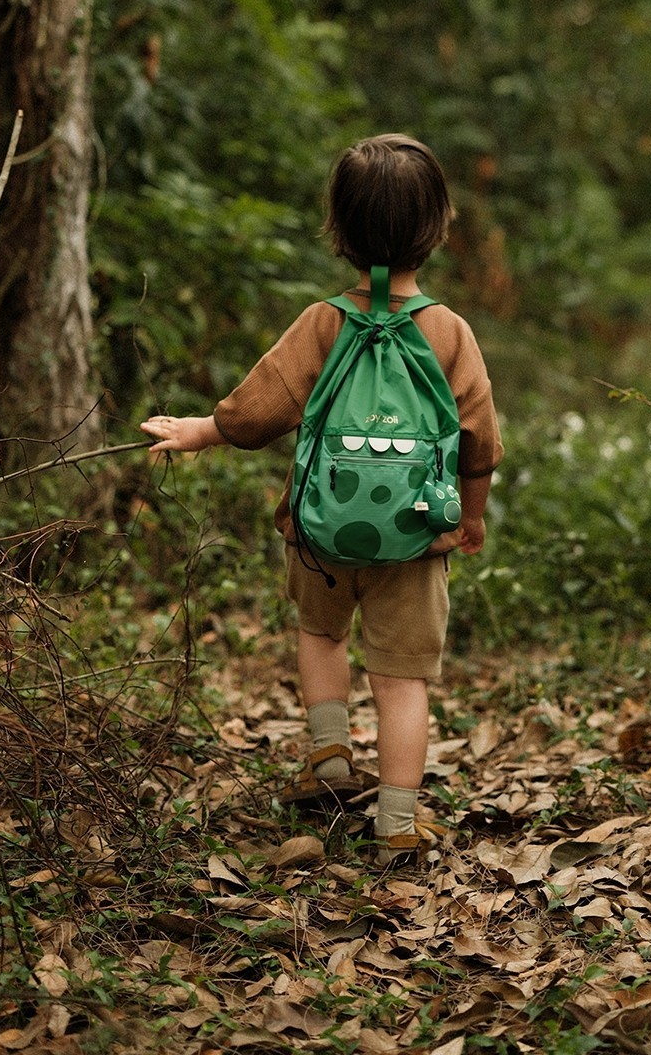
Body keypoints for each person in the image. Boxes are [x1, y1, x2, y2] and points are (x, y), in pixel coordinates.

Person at [141, 134, 502, 860]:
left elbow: (256, 412)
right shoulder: (448, 332)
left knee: (322, 634)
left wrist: (200, 430)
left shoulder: (322, 322)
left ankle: (330, 759)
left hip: (319, 533)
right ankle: (398, 820)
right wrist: (471, 517)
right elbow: (478, 439)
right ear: (437, 228)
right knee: (402, 681)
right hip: (416, 538)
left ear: (339, 230)